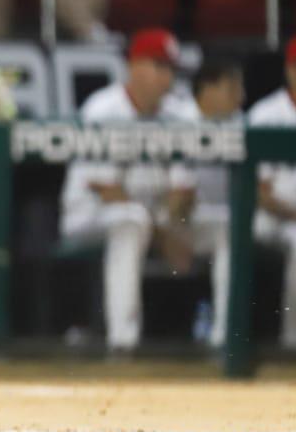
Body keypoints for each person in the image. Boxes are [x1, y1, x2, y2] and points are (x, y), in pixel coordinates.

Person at [58, 28, 197, 352]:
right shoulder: (103, 108)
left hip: (154, 218)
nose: (167, 78)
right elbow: (106, 189)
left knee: (218, 227)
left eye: (171, 69)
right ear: (134, 66)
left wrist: (172, 225)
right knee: (131, 220)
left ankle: (226, 342)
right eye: (159, 67)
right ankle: (124, 343)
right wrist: (163, 232)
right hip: (89, 214)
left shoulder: (179, 113)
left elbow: (183, 189)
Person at [170, 55, 244, 349]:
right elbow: (176, 200)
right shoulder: (180, 120)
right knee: (227, 228)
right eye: (232, 88)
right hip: (178, 220)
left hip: (217, 220)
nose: (240, 96)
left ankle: (224, 335)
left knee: (229, 228)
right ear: (207, 89)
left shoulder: (241, 122)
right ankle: (222, 334)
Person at [248, 38, 296, 349]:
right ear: (291, 70)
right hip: (269, 219)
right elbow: (257, 191)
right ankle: (293, 341)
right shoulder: (266, 113)